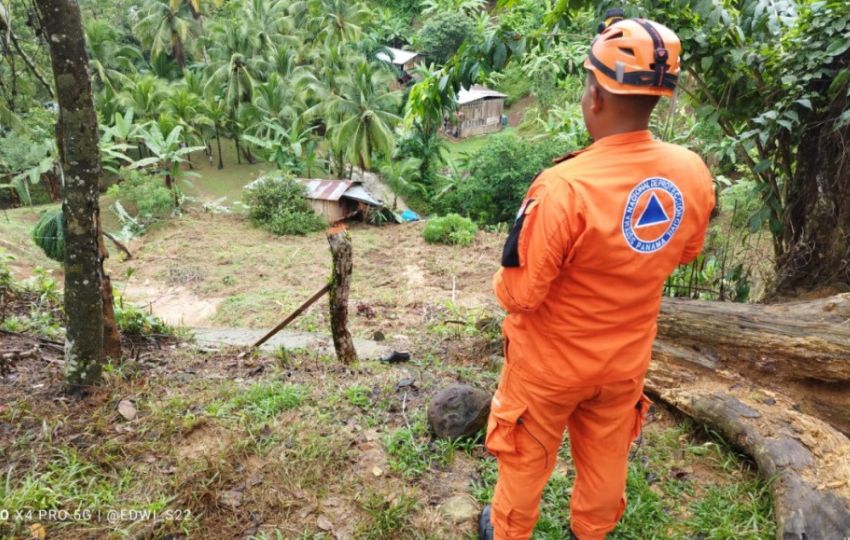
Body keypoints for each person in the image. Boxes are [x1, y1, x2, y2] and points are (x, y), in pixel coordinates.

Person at [478, 15, 716, 540]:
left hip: (548, 369)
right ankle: (591, 531)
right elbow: (685, 252)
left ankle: (507, 532)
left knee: (523, 459)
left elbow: (521, 294)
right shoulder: (690, 172)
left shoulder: (565, 185)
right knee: (607, 459)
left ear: (594, 95)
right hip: (624, 363)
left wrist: (499, 282)